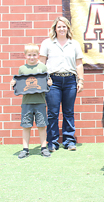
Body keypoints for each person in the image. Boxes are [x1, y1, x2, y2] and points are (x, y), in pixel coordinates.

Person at [39, 16, 84, 152]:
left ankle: (69, 141)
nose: (62, 29)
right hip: (53, 81)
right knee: (52, 112)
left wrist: (80, 80)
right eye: (59, 26)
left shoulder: (74, 44)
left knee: (68, 112)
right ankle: (52, 142)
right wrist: (45, 79)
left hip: (70, 80)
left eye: (64, 26)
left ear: (68, 28)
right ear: (55, 28)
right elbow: (42, 63)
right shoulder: (47, 43)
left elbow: (79, 64)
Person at [10, 43, 52, 159]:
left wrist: (49, 82)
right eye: (29, 55)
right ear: (25, 55)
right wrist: (13, 83)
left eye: (34, 55)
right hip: (26, 102)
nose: (32, 57)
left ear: (38, 55)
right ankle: (25, 149)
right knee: (26, 125)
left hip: (40, 102)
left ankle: (44, 148)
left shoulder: (42, 67)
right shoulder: (22, 69)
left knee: (42, 125)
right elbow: (19, 83)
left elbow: (47, 80)